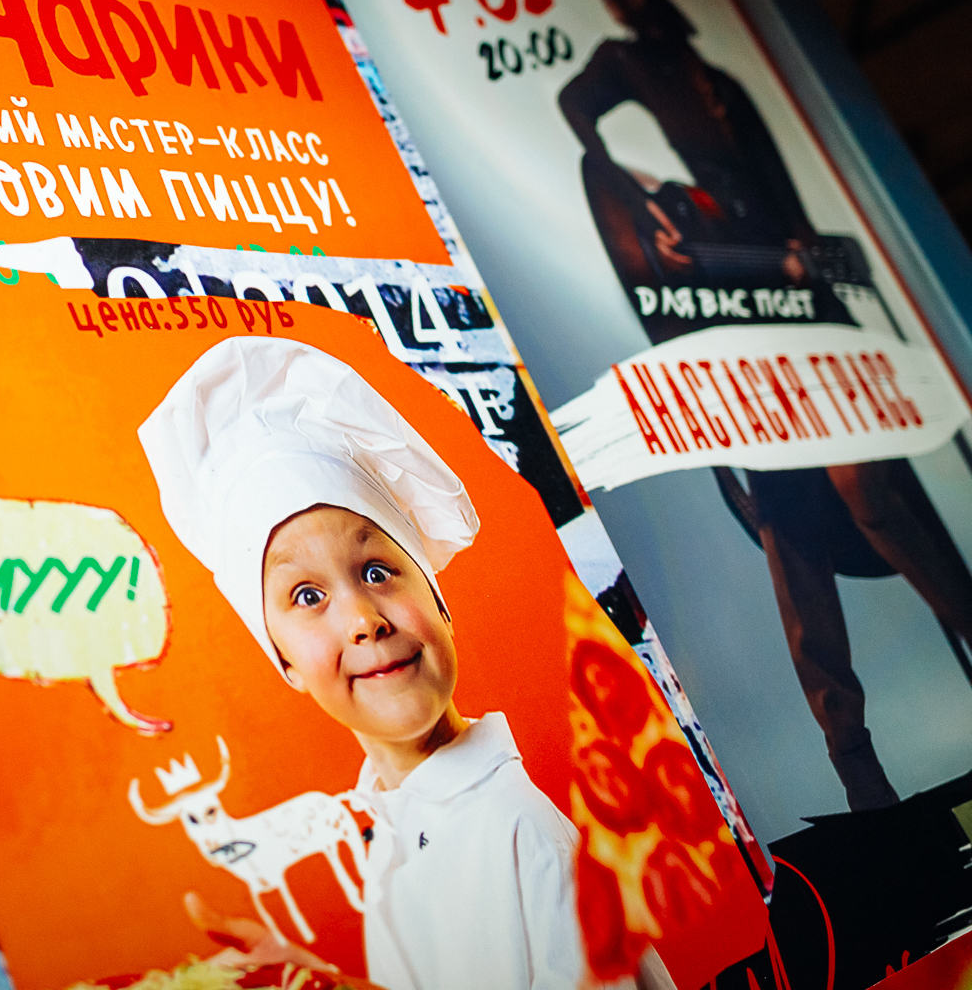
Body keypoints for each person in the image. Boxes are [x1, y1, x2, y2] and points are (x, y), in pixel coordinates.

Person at [540, 0, 972, 810]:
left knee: (870, 491)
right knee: (790, 528)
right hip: (732, 314)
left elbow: (790, 214)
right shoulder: (622, 68)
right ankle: (855, 760)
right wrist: (639, 189)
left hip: (795, 298)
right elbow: (579, 117)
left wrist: (806, 265)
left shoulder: (722, 82)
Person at [140, 337, 667, 990]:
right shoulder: (400, 823)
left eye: (377, 571)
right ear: (284, 660)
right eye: (307, 596)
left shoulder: (521, 838)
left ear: (439, 602)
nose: (364, 619)